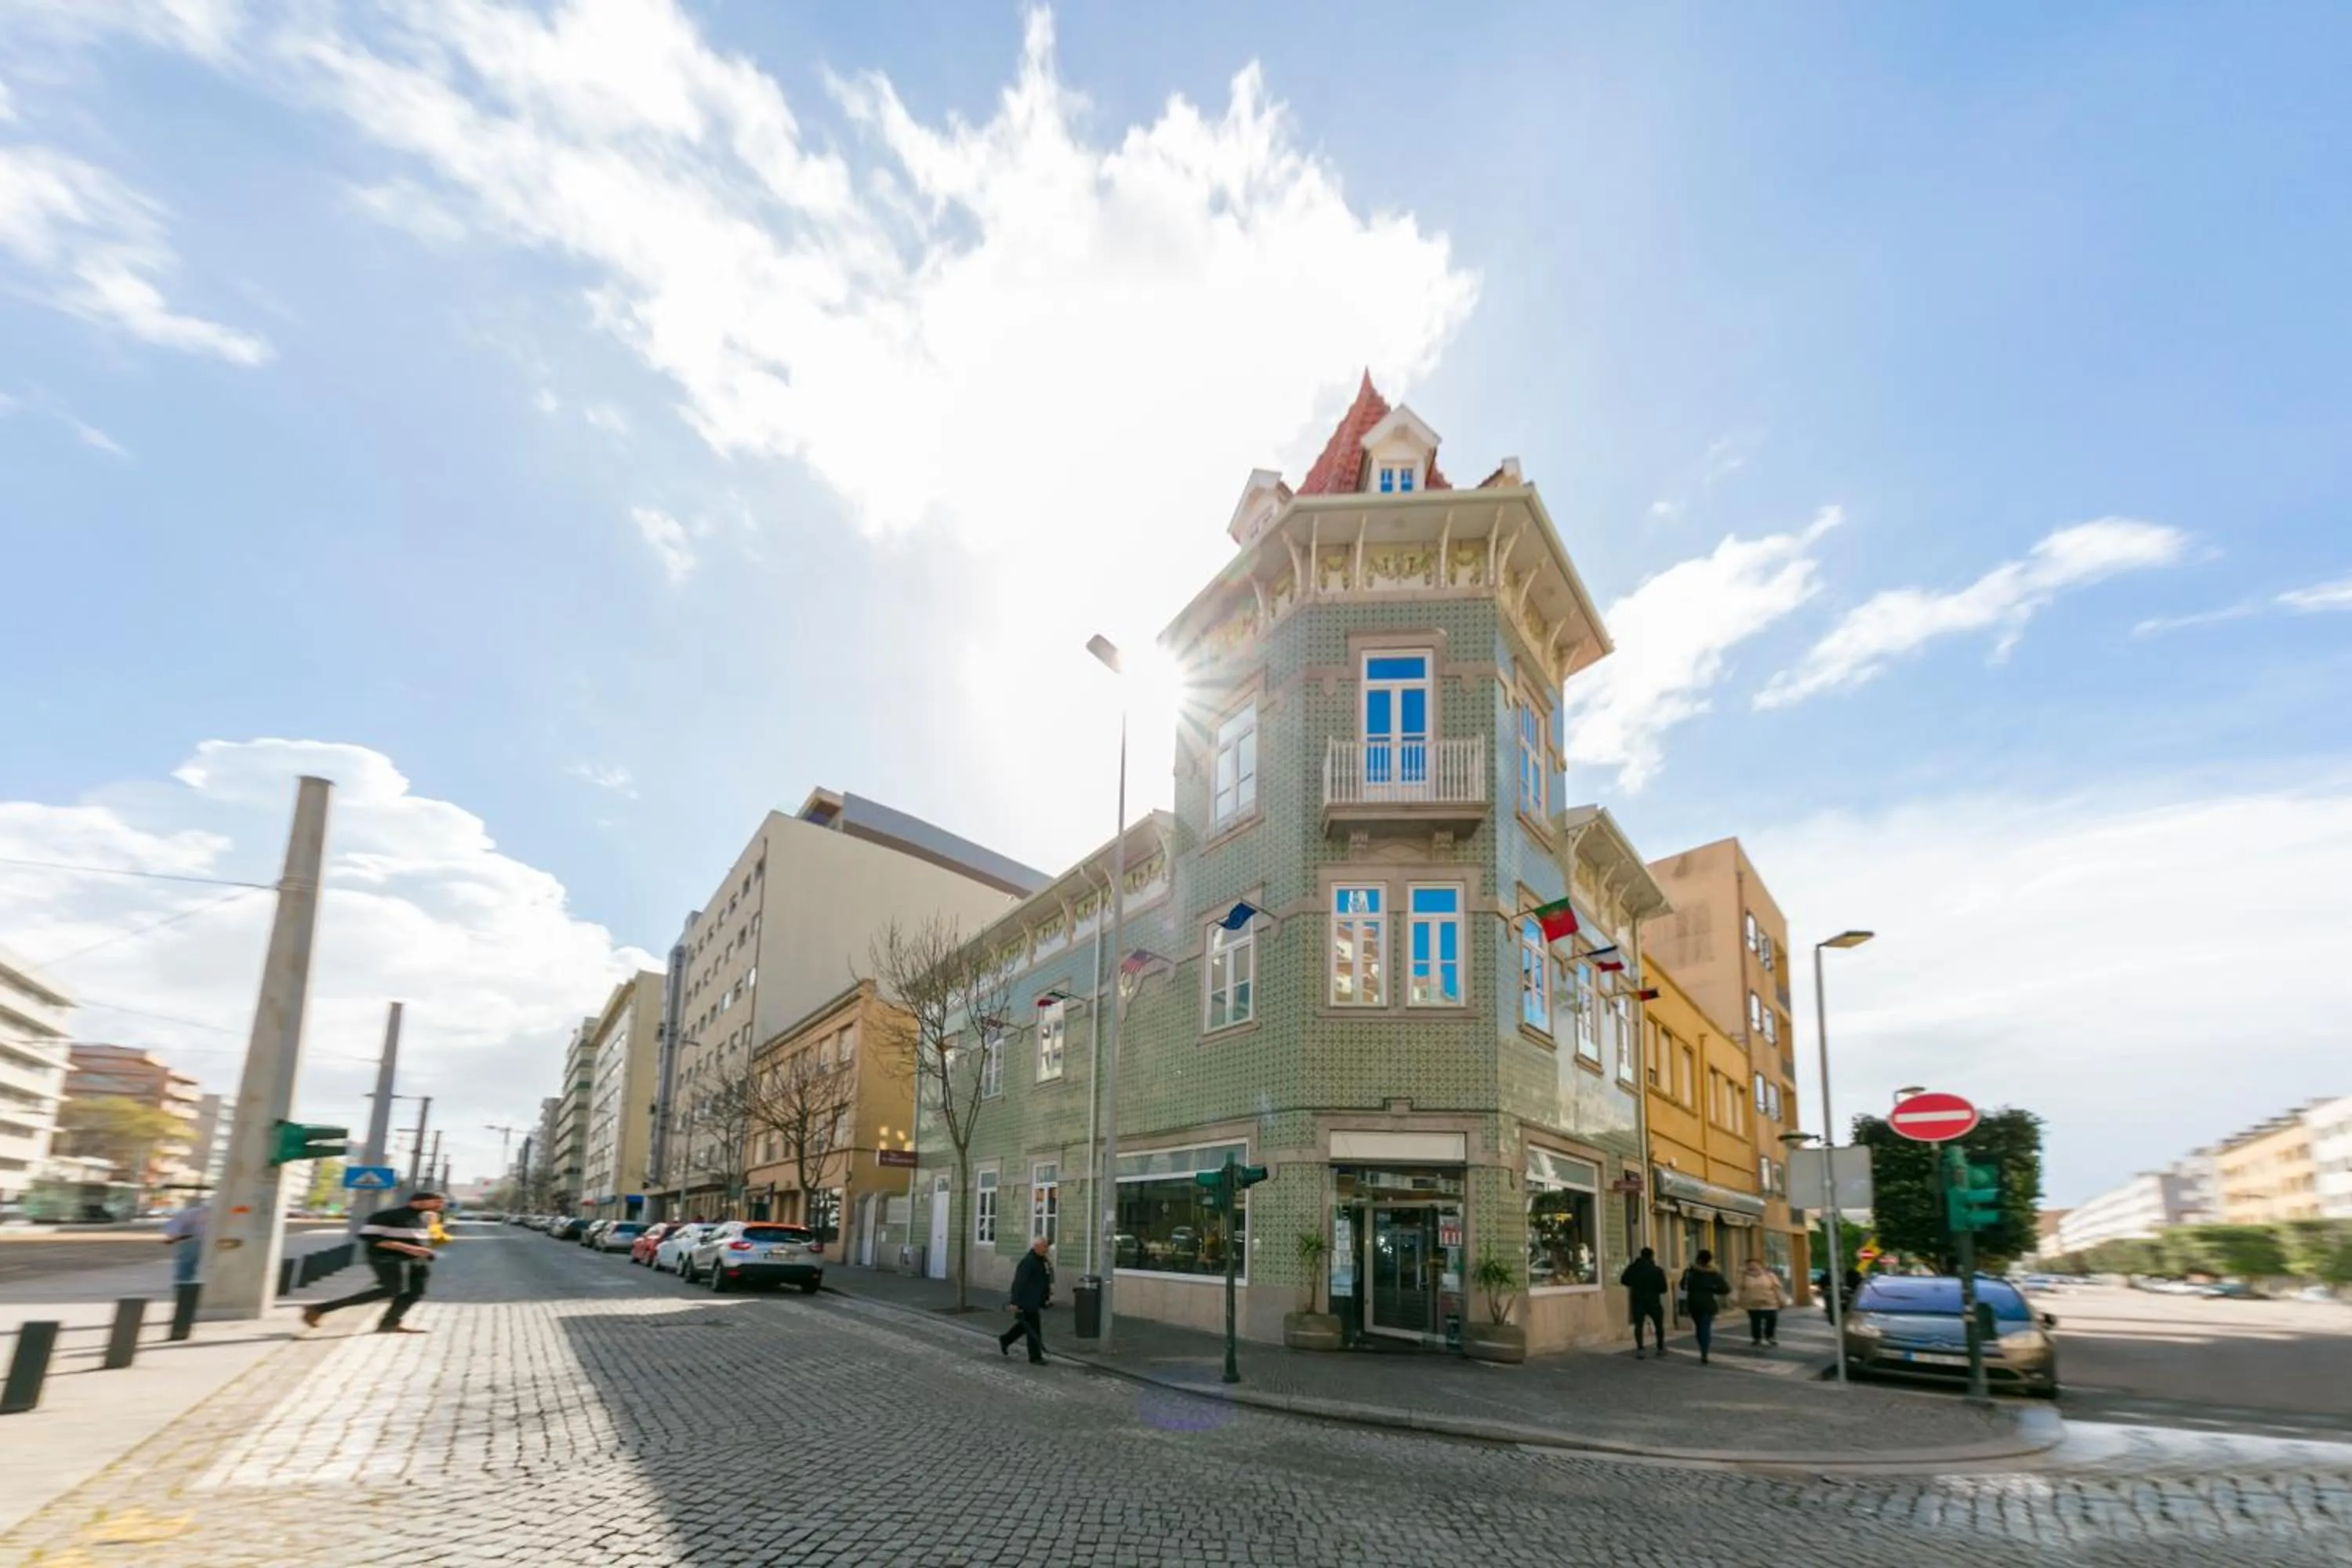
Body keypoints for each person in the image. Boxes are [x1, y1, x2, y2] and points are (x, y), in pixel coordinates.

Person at [301, 1192, 446, 1334]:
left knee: (415, 1292)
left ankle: (389, 1324)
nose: (441, 1205)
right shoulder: (386, 1216)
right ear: (418, 1201)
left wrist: (429, 1246)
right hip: (387, 1258)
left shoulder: (426, 1218)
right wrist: (408, 1248)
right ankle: (319, 1309)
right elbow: (370, 1237)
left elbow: (424, 1239)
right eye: (436, 1201)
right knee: (392, 1289)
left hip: (417, 1260)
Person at [997, 1236, 1053, 1364]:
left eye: (1047, 1246)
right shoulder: (1028, 1262)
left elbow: (1044, 1279)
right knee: (1034, 1329)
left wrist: (1046, 1296)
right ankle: (1035, 1357)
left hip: (1035, 1299)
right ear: (1036, 1247)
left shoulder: (1042, 1261)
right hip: (1027, 1300)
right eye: (1044, 1247)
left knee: (1025, 1326)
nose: (1047, 1249)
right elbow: (1018, 1283)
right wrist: (1014, 1302)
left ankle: (1005, 1339)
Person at [1679, 1249, 1730, 1365]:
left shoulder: (1689, 1272)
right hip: (1708, 1303)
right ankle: (1704, 1352)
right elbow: (1726, 1289)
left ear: (1698, 1259)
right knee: (1705, 1327)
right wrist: (1713, 1289)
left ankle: (1703, 1347)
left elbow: (1682, 1286)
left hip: (1693, 1303)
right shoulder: (1714, 1273)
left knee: (1699, 1328)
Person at [1619, 1246, 1669, 1359]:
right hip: (1653, 1300)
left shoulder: (1633, 1268)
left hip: (1638, 1300)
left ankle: (1640, 1349)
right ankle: (1660, 1348)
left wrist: (1635, 1285)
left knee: (1638, 1325)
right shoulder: (1657, 1270)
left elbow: (1624, 1280)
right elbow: (1663, 1288)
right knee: (1659, 1325)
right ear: (1652, 1256)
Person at [1737, 1258, 1788, 1348]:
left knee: (1771, 1320)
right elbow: (1738, 1288)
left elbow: (1777, 1288)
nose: (1753, 1267)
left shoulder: (1769, 1275)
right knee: (1755, 1322)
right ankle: (1757, 1338)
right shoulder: (1743, 1277)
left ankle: (1770, 1336)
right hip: (1753, 1303)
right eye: (1750, 1265)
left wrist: (1782, 1300)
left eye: (1755, 1264)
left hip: (1769, 1302)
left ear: (1760, 1265)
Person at [161, 1197, 207, 1287]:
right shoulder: (193, 1213)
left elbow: (172, 1230)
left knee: (185, 1272)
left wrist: (172, 1239)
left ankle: (183, 1289)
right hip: (208, 1243)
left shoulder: (191, 1213)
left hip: (191, 1243)